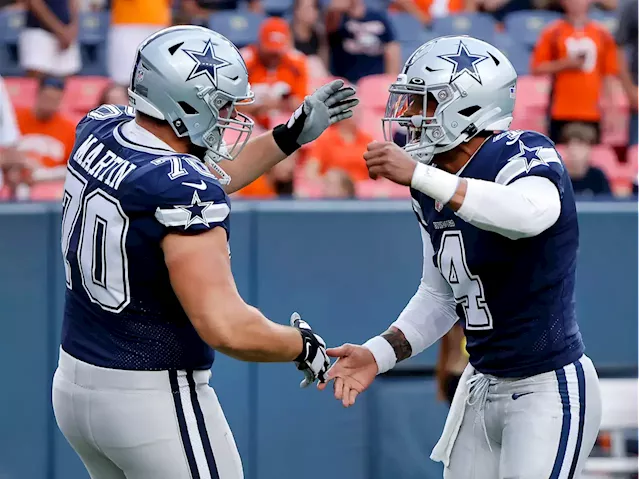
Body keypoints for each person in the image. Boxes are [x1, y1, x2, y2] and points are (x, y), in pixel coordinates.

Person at [52, 25, 358, 479]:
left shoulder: (100, 127)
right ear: (183, 104)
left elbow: (190, 175)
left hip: (76, 385)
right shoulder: (180, 188)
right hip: (152, 398)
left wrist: (289, 135)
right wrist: (301, 345)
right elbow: (226, 327)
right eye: (222, 104)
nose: (231, 114)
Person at [321, 36, 602, 478]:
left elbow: (530, 213)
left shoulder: (521, 152)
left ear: (467, 106)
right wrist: (379, 353)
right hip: (478, 385)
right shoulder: (430, 184)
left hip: (546, 387)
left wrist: (420, 174)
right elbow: (440, 296)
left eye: (423, 103)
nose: (409, 116)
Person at [530, 0, 619, 144]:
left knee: (589, 159)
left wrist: (612, 111)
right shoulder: (553, 32)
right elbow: (537, 67)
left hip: (592, 111)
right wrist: (565, 64)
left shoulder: (602, 34)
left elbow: (609, 75)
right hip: (560, 110)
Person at [240, 17, 309, 130]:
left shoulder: (297, 62)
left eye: (277, 52)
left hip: (285, 123)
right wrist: (258, 107)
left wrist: (276, 104)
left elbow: (303, 103)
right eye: (270, 51)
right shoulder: (244, 61)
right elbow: (233, 106)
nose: (274, 57)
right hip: (249, 123)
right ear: (260, 43)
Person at [15, 76, 76, 186]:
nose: (50, 104)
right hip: (16, 181)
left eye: (55, 100)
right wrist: (21, 161)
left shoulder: (69, 129)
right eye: (47, 98)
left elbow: (73, 168)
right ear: (38, 94)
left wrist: (46, 174)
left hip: (50, 186)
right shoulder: (15, 119)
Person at [325, 0, 401, 84]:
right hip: (346, 81)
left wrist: (391, 81)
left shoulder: (378, 17)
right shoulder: (339, 19)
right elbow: (326, 32)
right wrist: (335, 10)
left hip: (376, 80)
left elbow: (392, 49)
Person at [19, 0, 81, 78]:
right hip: (39, 33)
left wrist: (74, 27)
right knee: (36, 82)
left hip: (67, 33)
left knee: (69, 83)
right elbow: (34, 3)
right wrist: (60, 31)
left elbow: (73, 2)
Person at [615, 0, 640, 145]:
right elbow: (619, 48)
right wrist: (629, 89)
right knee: (636, 154)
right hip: (638, 89)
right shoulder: (633, 6)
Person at [562, 122, 611, 196]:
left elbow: (607, 203)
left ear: (589, 149)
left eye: (580, 146)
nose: (574, 151)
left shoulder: (597, 176)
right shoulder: (558, 176)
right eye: (571, 145)